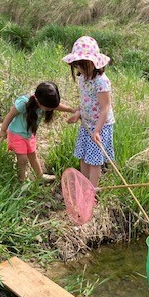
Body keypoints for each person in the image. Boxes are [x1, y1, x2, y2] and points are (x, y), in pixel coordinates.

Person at [62, 36, 115, 188]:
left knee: (94, 160)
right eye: (76, 66)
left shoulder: (101, 82)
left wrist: (97, 130)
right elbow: (86, 102)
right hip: (87, 123)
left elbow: (105, 108)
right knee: (83, 156)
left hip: (100, 126)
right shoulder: (83, 78)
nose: (79, 69)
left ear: (93, 63)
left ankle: (91, 190)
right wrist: (78, 113)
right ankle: (83, 183)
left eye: (82, 65)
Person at [0, 81, 76, 183]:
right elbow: (10, 115)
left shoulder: (45, 102)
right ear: (39, 102)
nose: (49, 110)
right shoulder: (23, 103)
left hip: (29, 135)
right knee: (23, 159)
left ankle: (40, 176)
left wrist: (71, 110)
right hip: (17, 134)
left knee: (33, 155)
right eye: (48, 108)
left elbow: (56, 106)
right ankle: (21, 181)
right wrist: (3, 130)